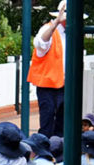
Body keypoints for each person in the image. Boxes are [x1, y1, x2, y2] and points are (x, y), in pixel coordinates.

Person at [28, 0, 66, 137]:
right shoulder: (48, 29)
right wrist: (55, 24)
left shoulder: (72, 33)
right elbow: (40, 43)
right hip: (48, 85)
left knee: (63, 123)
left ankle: (60, 151)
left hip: (65, 85)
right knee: (47, 122)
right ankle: (44, 152)